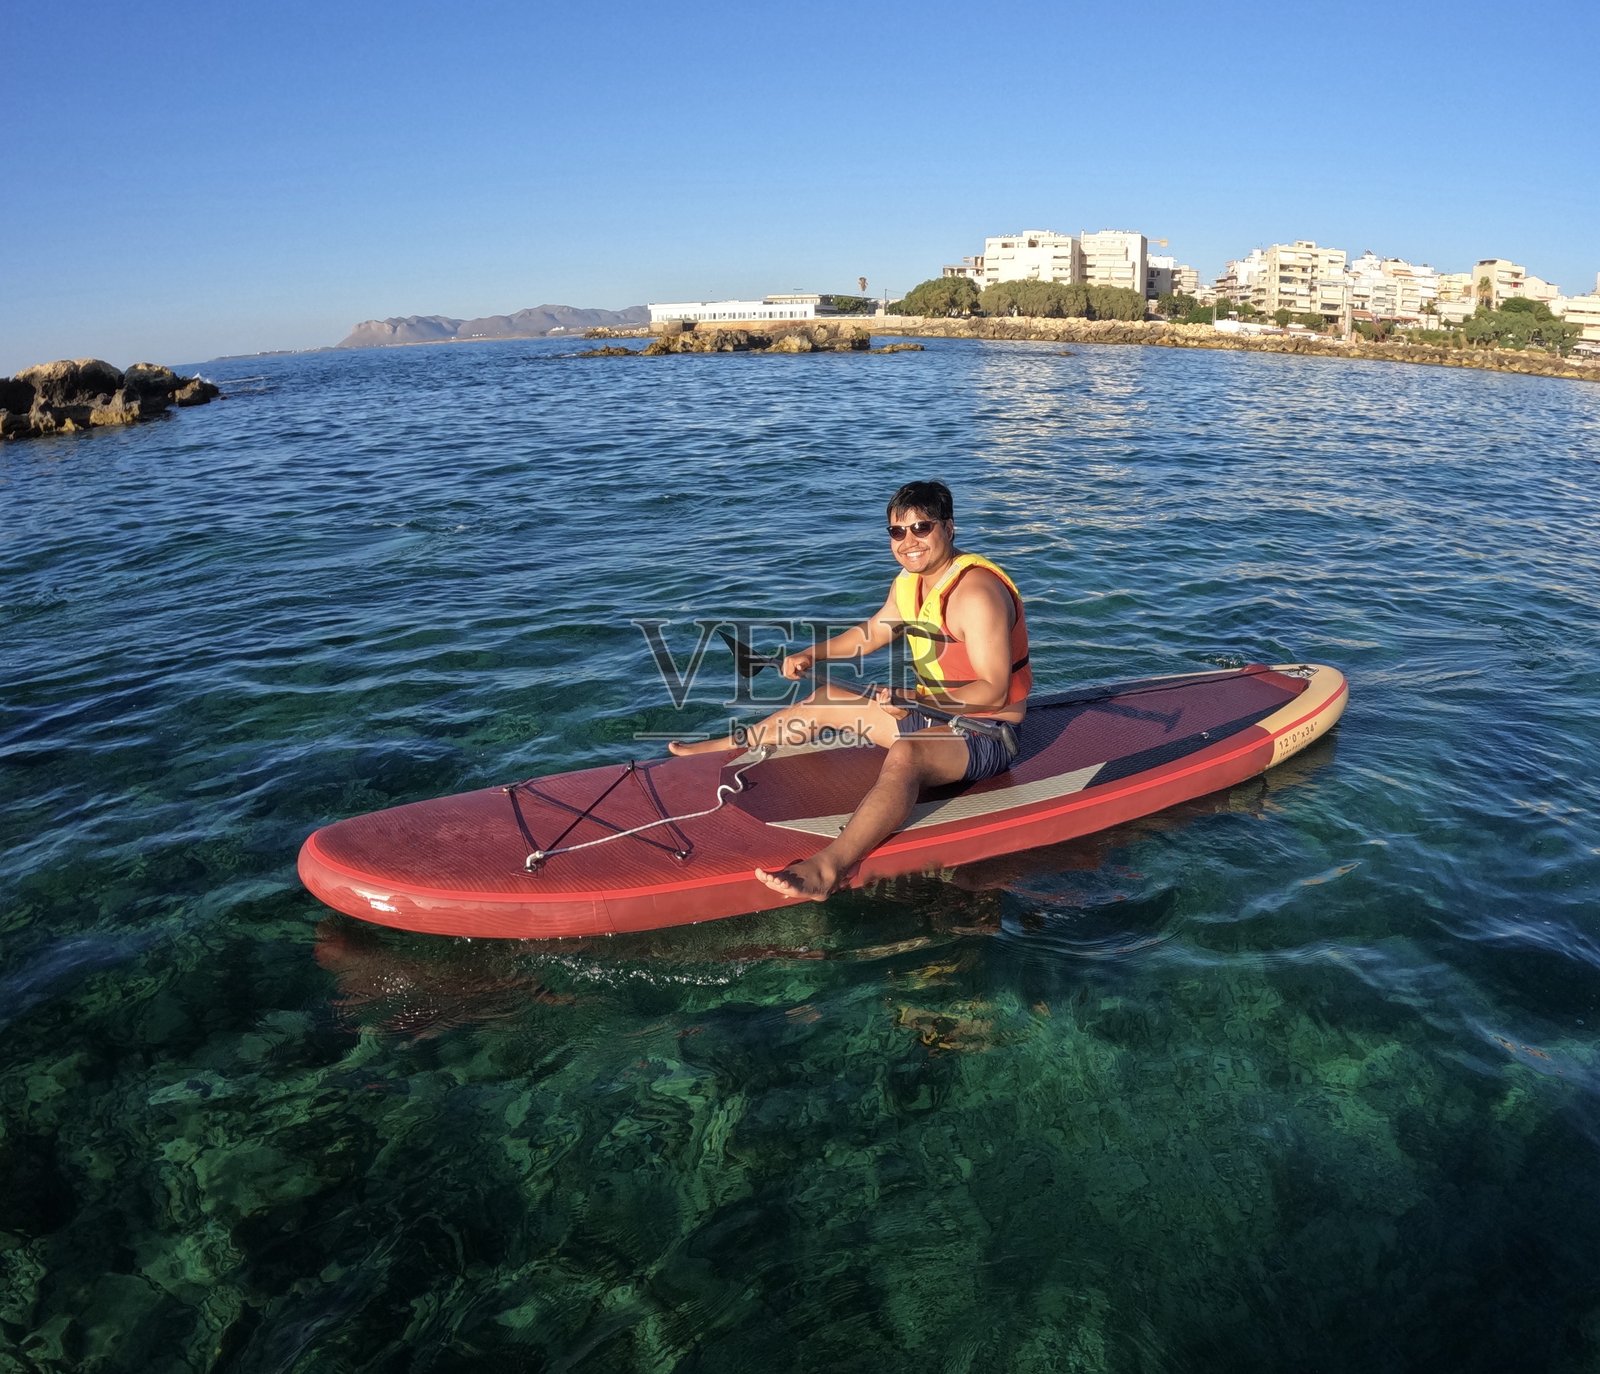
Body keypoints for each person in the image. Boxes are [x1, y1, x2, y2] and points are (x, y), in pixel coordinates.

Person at [669, 480, 1031, 900]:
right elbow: (871, 633)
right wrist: (812, 654)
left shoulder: (976, 594)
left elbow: (993, 689)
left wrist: (912, 699)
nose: (909, 541)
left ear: (948, 528)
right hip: (933, 713)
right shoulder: (910, 582)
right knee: (824, 700)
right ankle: (715, 753)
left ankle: (829, 869)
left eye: (922, 528)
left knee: (907, 754)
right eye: (898, 532)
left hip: (985, 732)